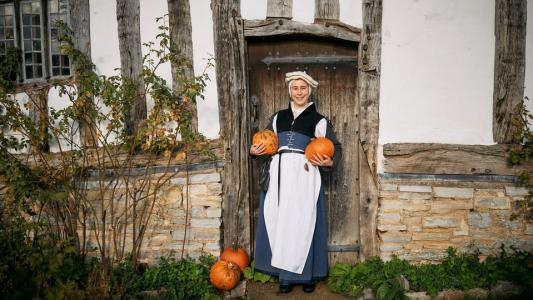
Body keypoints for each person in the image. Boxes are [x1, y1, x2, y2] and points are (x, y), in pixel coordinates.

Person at [249, 71, 342, 293]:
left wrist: (330, 162)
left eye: (303, 88)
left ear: (309, 91)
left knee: (304, 221)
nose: (299, 92)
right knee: (281, 221)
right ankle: (285, 277)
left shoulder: (319, 120)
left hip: (305, 174)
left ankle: (307, 276)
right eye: (295, 88)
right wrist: (254, 152)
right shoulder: (277, 117)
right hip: (279, 174)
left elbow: (335, 147)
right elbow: (266, 142)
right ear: (290, 91)